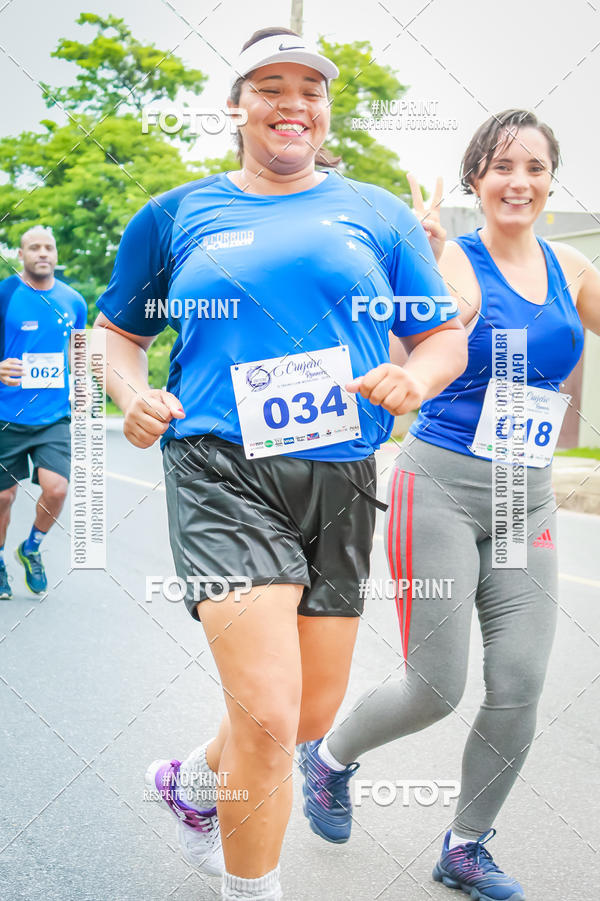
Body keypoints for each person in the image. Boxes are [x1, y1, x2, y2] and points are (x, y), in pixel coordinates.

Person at [94, 26, 466, 901]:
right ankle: (250, 888)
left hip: (340, 474)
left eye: (310, 89)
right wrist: (130, 393)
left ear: (325, 110)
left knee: (303, 715)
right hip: (221, 467)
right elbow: (117, 333)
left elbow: (442, 333)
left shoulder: (374, 213)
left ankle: (191, 787)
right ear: (237, 105)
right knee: (264, 710)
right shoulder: (176, 214)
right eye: (270, 86)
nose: (293, 102)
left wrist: (413, 376)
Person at [299, 108, 600, 901]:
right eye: (503, 166)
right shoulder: (454, 265)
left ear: (549, 180)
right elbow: (414, 350)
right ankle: (327, 758)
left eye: (535, 167)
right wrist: (425, 276)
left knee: (522, 681)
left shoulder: (571, 269)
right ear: (477, 178)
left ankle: (466, 846)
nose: (520, 182)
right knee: (435, 686)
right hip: (439, 482)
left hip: (523, 495)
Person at [0, 226, 87, 597]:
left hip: (53, 414)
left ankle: (31, 548)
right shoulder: (6, 293)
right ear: (21, 254)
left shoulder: (74, 301)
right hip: (6, 414)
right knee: (3, 498)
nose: (42, 253)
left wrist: (82, 390)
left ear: (56, 253)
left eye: (48, 247)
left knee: (56, 488)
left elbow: (78, 351)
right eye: (33, 247)